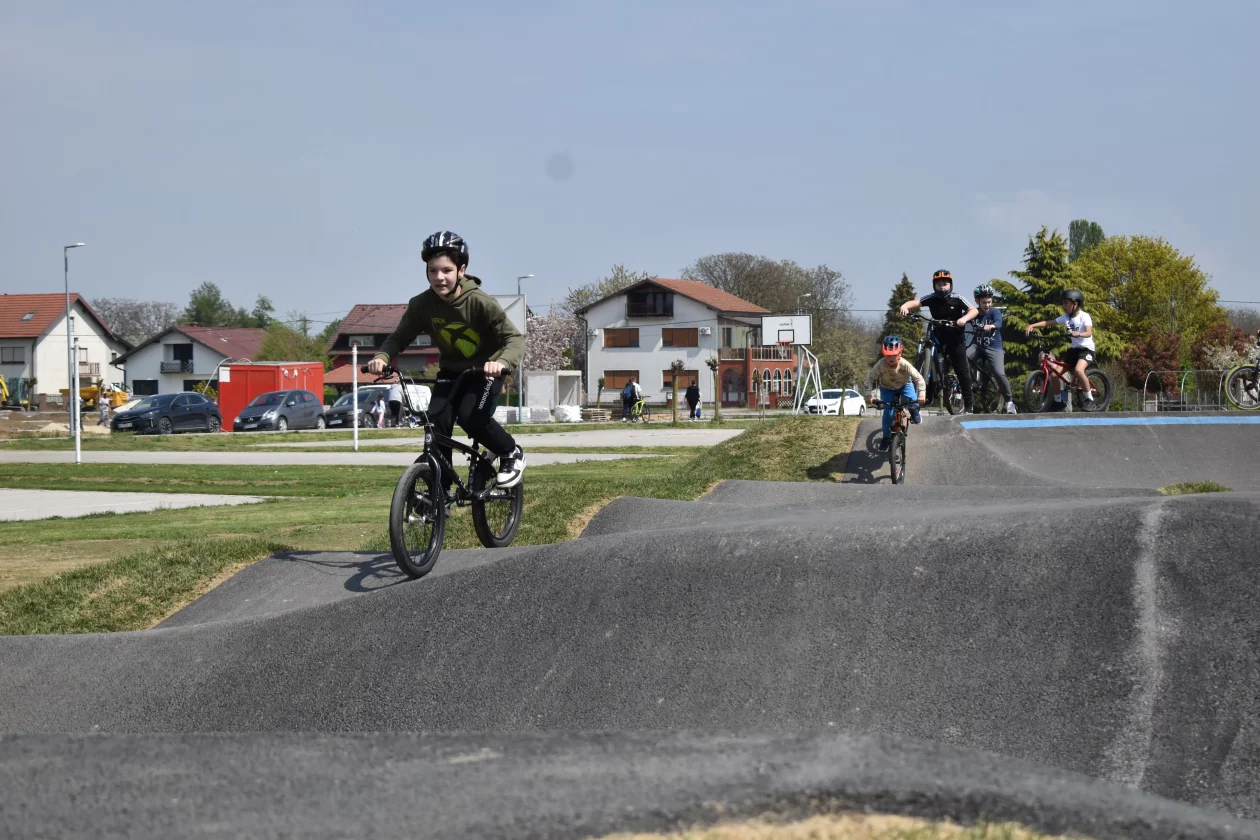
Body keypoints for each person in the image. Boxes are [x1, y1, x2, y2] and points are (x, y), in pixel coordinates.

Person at [367, 230, 526, 489]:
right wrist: (382, 356)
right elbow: (399, 336)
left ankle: (510, 452)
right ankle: (439, 493)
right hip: (451, 372)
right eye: (432, 271)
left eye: (446, 270)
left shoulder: (480, 302)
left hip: (486, 372)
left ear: (461, 270)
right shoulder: (422, 305)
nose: (439, 277)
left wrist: (502, 363)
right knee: (436, 425)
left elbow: (514, 339)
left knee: (471, 417)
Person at [898, 270, 979, 413]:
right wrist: (905, 305)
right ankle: (928, 388)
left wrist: (964, 319)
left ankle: (968, 404)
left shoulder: (957, 298)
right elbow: (916, 302)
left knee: (962, 370)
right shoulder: (932, 298)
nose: (942, 287)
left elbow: (974, 310)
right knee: (930, 348)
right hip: (939, 337)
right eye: (939, 284)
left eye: (945, 284)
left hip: (956, 340)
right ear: (934, 285)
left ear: (951, 285)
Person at [1025, 289, 1096, 410]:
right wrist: (1032, 325)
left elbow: (1089, 332)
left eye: (1066, 303)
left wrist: (1079, 334)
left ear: (1075, 304)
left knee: (1079, 371)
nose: (1064, 306)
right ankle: (1058, 401)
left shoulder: (1084, 316)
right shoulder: (1065, 318)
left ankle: (1090, 399)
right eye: (1063, 303)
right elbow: (1048, 322)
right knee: (1054, 375)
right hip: (1074, 351)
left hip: (1086, 350)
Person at [864, 336, 926, 452]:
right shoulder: (880, 365)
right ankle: (886, 438)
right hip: (887, 388)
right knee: (888, 413)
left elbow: (919, 379)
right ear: (884, 354)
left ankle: (913, 411)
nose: (891, 358)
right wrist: (868, 395)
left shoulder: (904, 364)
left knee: (912, 400)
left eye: (894, 355)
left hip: (904, 385)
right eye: (888, 355)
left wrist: (922, 395)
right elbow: (869, 379)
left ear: (900, 354)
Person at [967, 285, 1017, 414]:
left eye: (989, 302)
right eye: (984, 302)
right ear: (977, 301)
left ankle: (1010, 402)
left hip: (994, 347)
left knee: (999, 373)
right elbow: (963, 318)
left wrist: (992, 326)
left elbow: (999, 323)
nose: (987, 305)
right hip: (977, 346)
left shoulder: (994, 312)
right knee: (962, 358)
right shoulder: (974, 313)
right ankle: (966, 389)